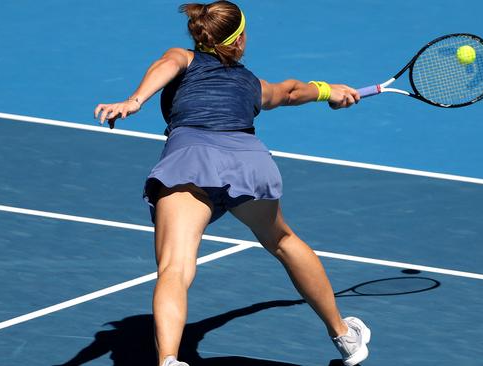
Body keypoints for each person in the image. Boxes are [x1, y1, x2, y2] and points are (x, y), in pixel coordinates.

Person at [94, 2, 370, 366]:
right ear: (239, 41)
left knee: (174, 269)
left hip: (190, 163)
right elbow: (288, 91)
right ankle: (344, 336)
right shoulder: (252, 84)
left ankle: (169, 360)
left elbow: (166, 65)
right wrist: (326, 90)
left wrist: (134, 101)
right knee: (283, 240)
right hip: (248, 164)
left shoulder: (184, 57)